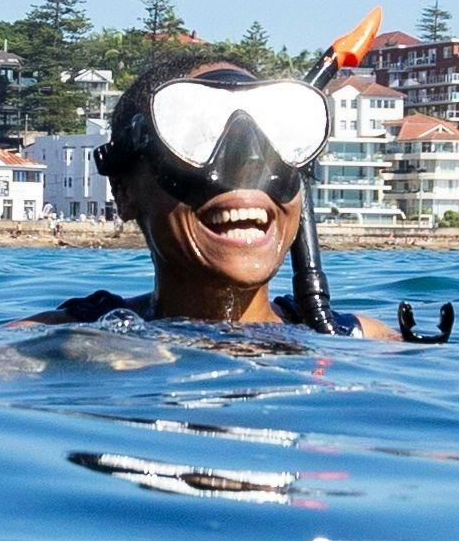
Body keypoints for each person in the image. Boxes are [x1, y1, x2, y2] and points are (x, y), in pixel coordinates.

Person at [40, 50, 370, 335]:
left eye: (272, 136)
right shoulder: (62, 344)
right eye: (198, 137)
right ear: (124, 192)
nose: (249, 161)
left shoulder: (362, 343)